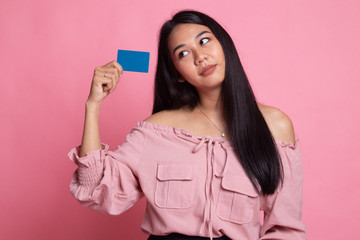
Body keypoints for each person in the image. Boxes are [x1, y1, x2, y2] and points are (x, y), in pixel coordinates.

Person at [69, 10, 307, 240]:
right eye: (183, 54)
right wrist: (93, 106)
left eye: (204, 41)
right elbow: (95, 189)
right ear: (178, 74)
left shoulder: (274, 126)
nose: (200, 57)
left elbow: (285, 230)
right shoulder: (156, 130)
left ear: (224, 44)